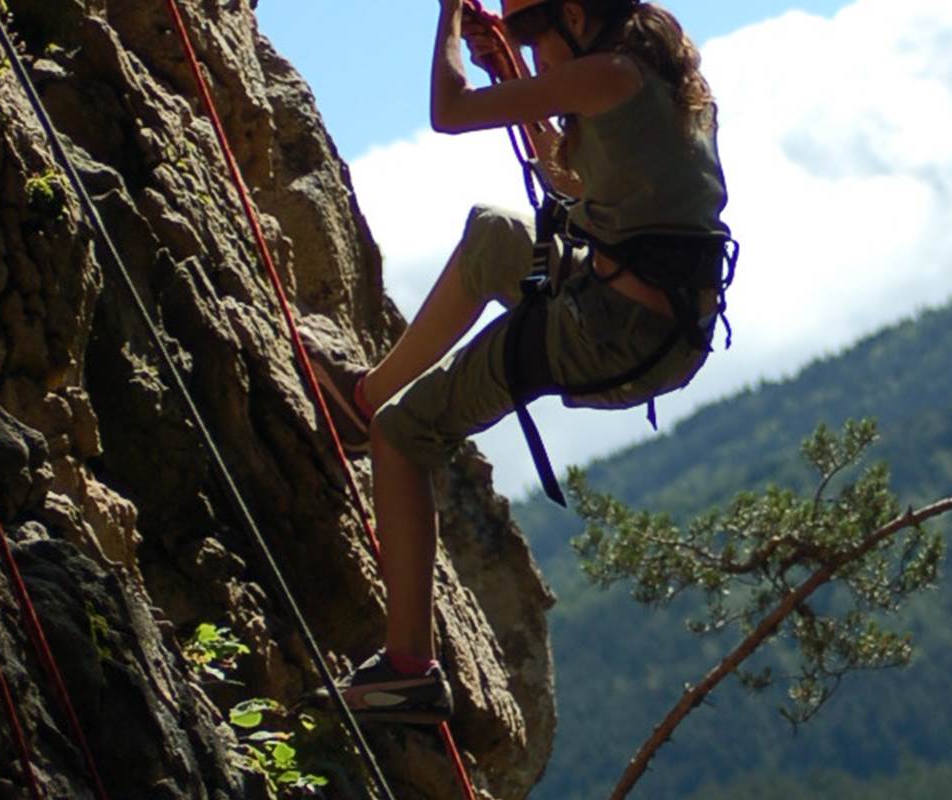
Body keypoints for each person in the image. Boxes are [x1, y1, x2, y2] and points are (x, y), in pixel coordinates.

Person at [303, 0, 733, 723]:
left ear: (573, 15)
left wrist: (447, 18)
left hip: (610, 330)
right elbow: (572, 183)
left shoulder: (608, 75)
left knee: (408, 437)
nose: (531, 51)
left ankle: (407, 667)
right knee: (494, 235)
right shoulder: (653, 78)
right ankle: (367, 397)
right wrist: (507, 60)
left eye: (533, 34)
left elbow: (450, 110)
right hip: (646, 320)